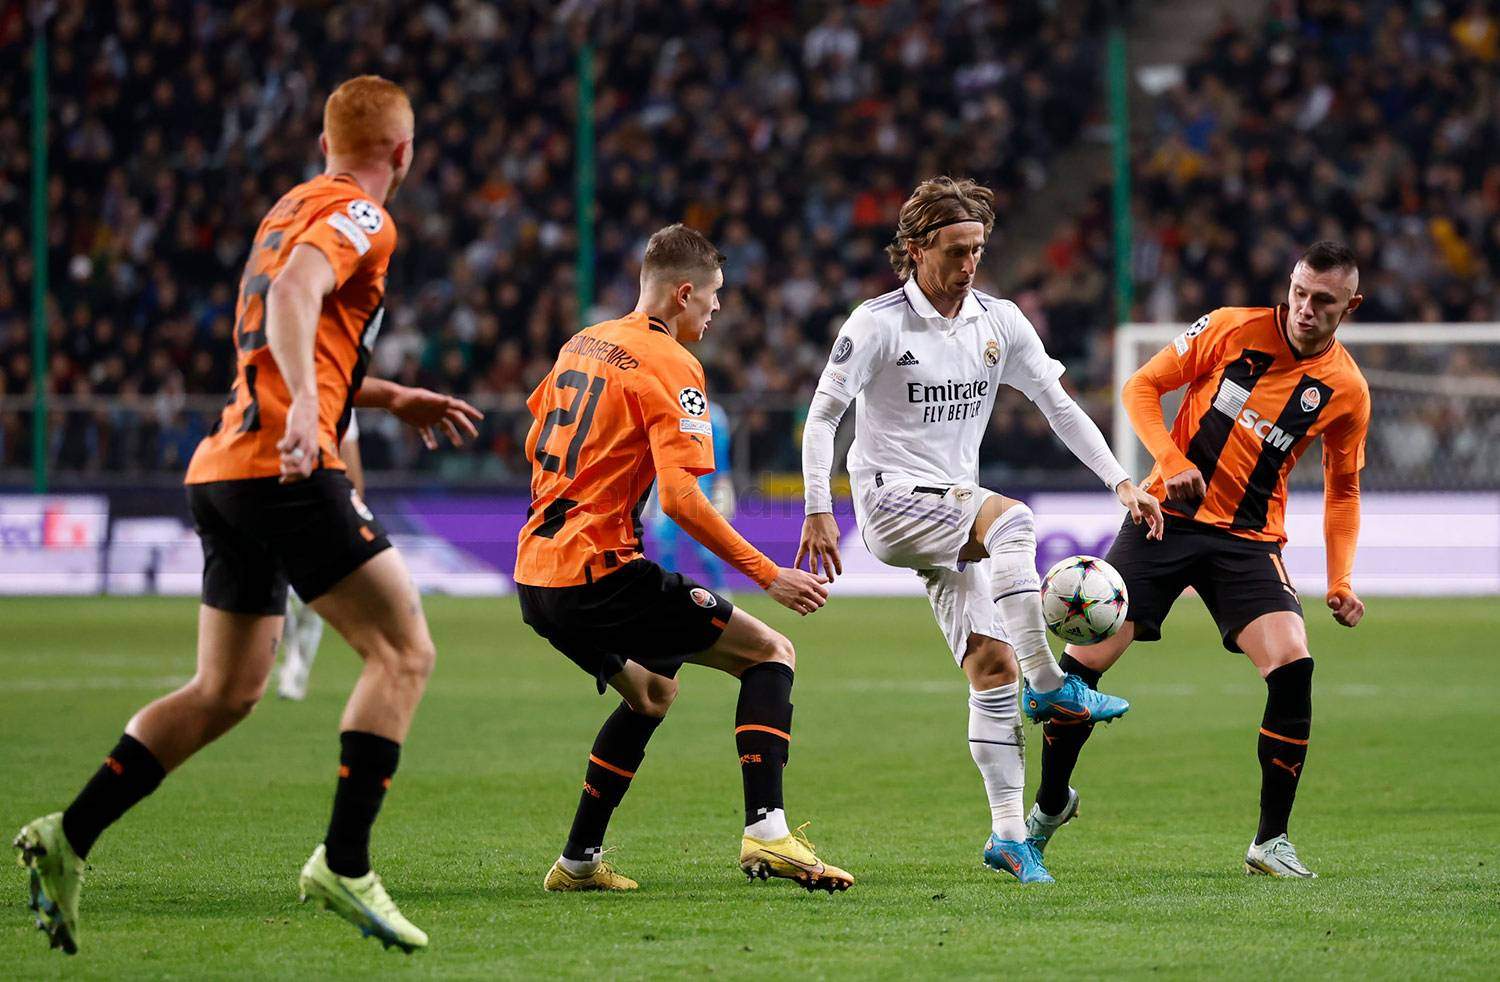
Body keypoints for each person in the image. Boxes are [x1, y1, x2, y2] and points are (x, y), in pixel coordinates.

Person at [14, 76, 482, 955]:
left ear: (324, 144)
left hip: (226, 470)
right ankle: (345, 862)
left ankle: (66, 835)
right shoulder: (364, 216)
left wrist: (385, 397)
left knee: (224, 691)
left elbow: (288, 328)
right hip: (286, 465)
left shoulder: (286, 209)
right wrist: (308, 405)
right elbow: (297, 296)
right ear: (404, 153)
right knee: (403, 650)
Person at [797, 177, 1163, 885]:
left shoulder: (1000, 321)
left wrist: (1121, 481)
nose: (969, 265)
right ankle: (1051, 682)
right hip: (890, 501)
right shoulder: (875, 324)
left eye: (978, 250)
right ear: (915, 249)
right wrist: (818, 507)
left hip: (951, 507)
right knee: (1014, 520)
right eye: (955, 251)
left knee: (991, 669)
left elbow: (1059, 406)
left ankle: (1008, 836)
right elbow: (822, 418)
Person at [515, 224, 853, 894]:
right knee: (770, 653)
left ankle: (577, 862)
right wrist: (769, 574)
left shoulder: (582, 342)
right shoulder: (673, 364)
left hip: (536, 574)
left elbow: (537, 443)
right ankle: (768, 834)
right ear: (684, 293)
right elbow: (680, 498)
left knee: (652, 693)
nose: (717, 308)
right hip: (601, 571)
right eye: (714, 295)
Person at [1028, 240, 1370, 879]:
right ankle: (1050, 804)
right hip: (1164, 518)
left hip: (1249, 539)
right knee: (1082, 663)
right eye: (1299, 292)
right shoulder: (1230, 328)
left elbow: (1343, 491)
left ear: (1349, 307)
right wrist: (1171, 459)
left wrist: (1341, 579)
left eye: (1323, 301)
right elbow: (1141, 386)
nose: (1305, 308)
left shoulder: (1346, 389)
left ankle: (1271, 841)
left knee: (1293, 665)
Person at [278, 413, 363, 701]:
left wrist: (353, 507)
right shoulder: (271, 396)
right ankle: (291, 654)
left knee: (315, 599)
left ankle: (296, 669)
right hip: (277, 504)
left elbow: (351, 462)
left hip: (323, 506)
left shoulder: (340, 403)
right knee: (275, 594)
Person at [646, 399, 734, 593]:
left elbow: (721, 454)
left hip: (700, 487)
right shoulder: (664, 405)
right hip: (666, 486)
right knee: (665, 545)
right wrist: (649, 494)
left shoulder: (714, 414)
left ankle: (721, 591)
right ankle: (669, 594)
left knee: (706, 547)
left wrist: (724, 487)